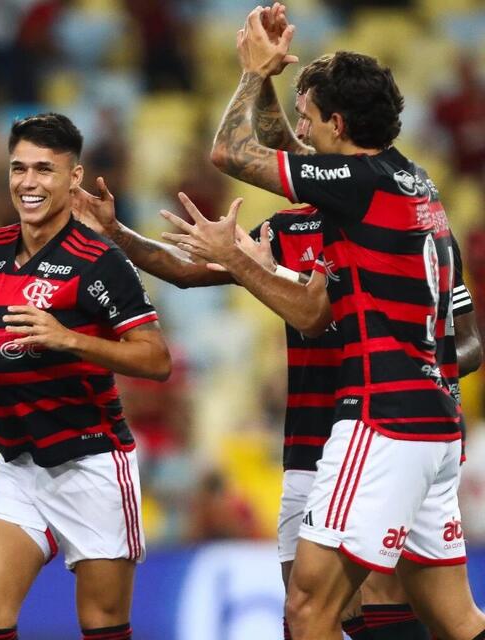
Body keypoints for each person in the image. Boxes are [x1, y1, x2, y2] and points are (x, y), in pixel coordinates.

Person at [159, 7, 485, 639]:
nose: (301, 128)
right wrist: (280, 80)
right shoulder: (408, 182)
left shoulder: (358, 186)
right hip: (434, 426)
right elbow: (296, 152)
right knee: (456, 619)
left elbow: (230, 150)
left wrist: (252, 73)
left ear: (338, 123)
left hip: (381, 421)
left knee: (309, 609)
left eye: (311, 117)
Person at [0, 112, 171, 640]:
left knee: (101, 625)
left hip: (93, 461)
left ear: (73, 178)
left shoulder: (99, 262)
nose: (28, 183)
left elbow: (156, 359)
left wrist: (69, 338)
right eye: (19, 169)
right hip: (19, 463)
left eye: (44, 170)